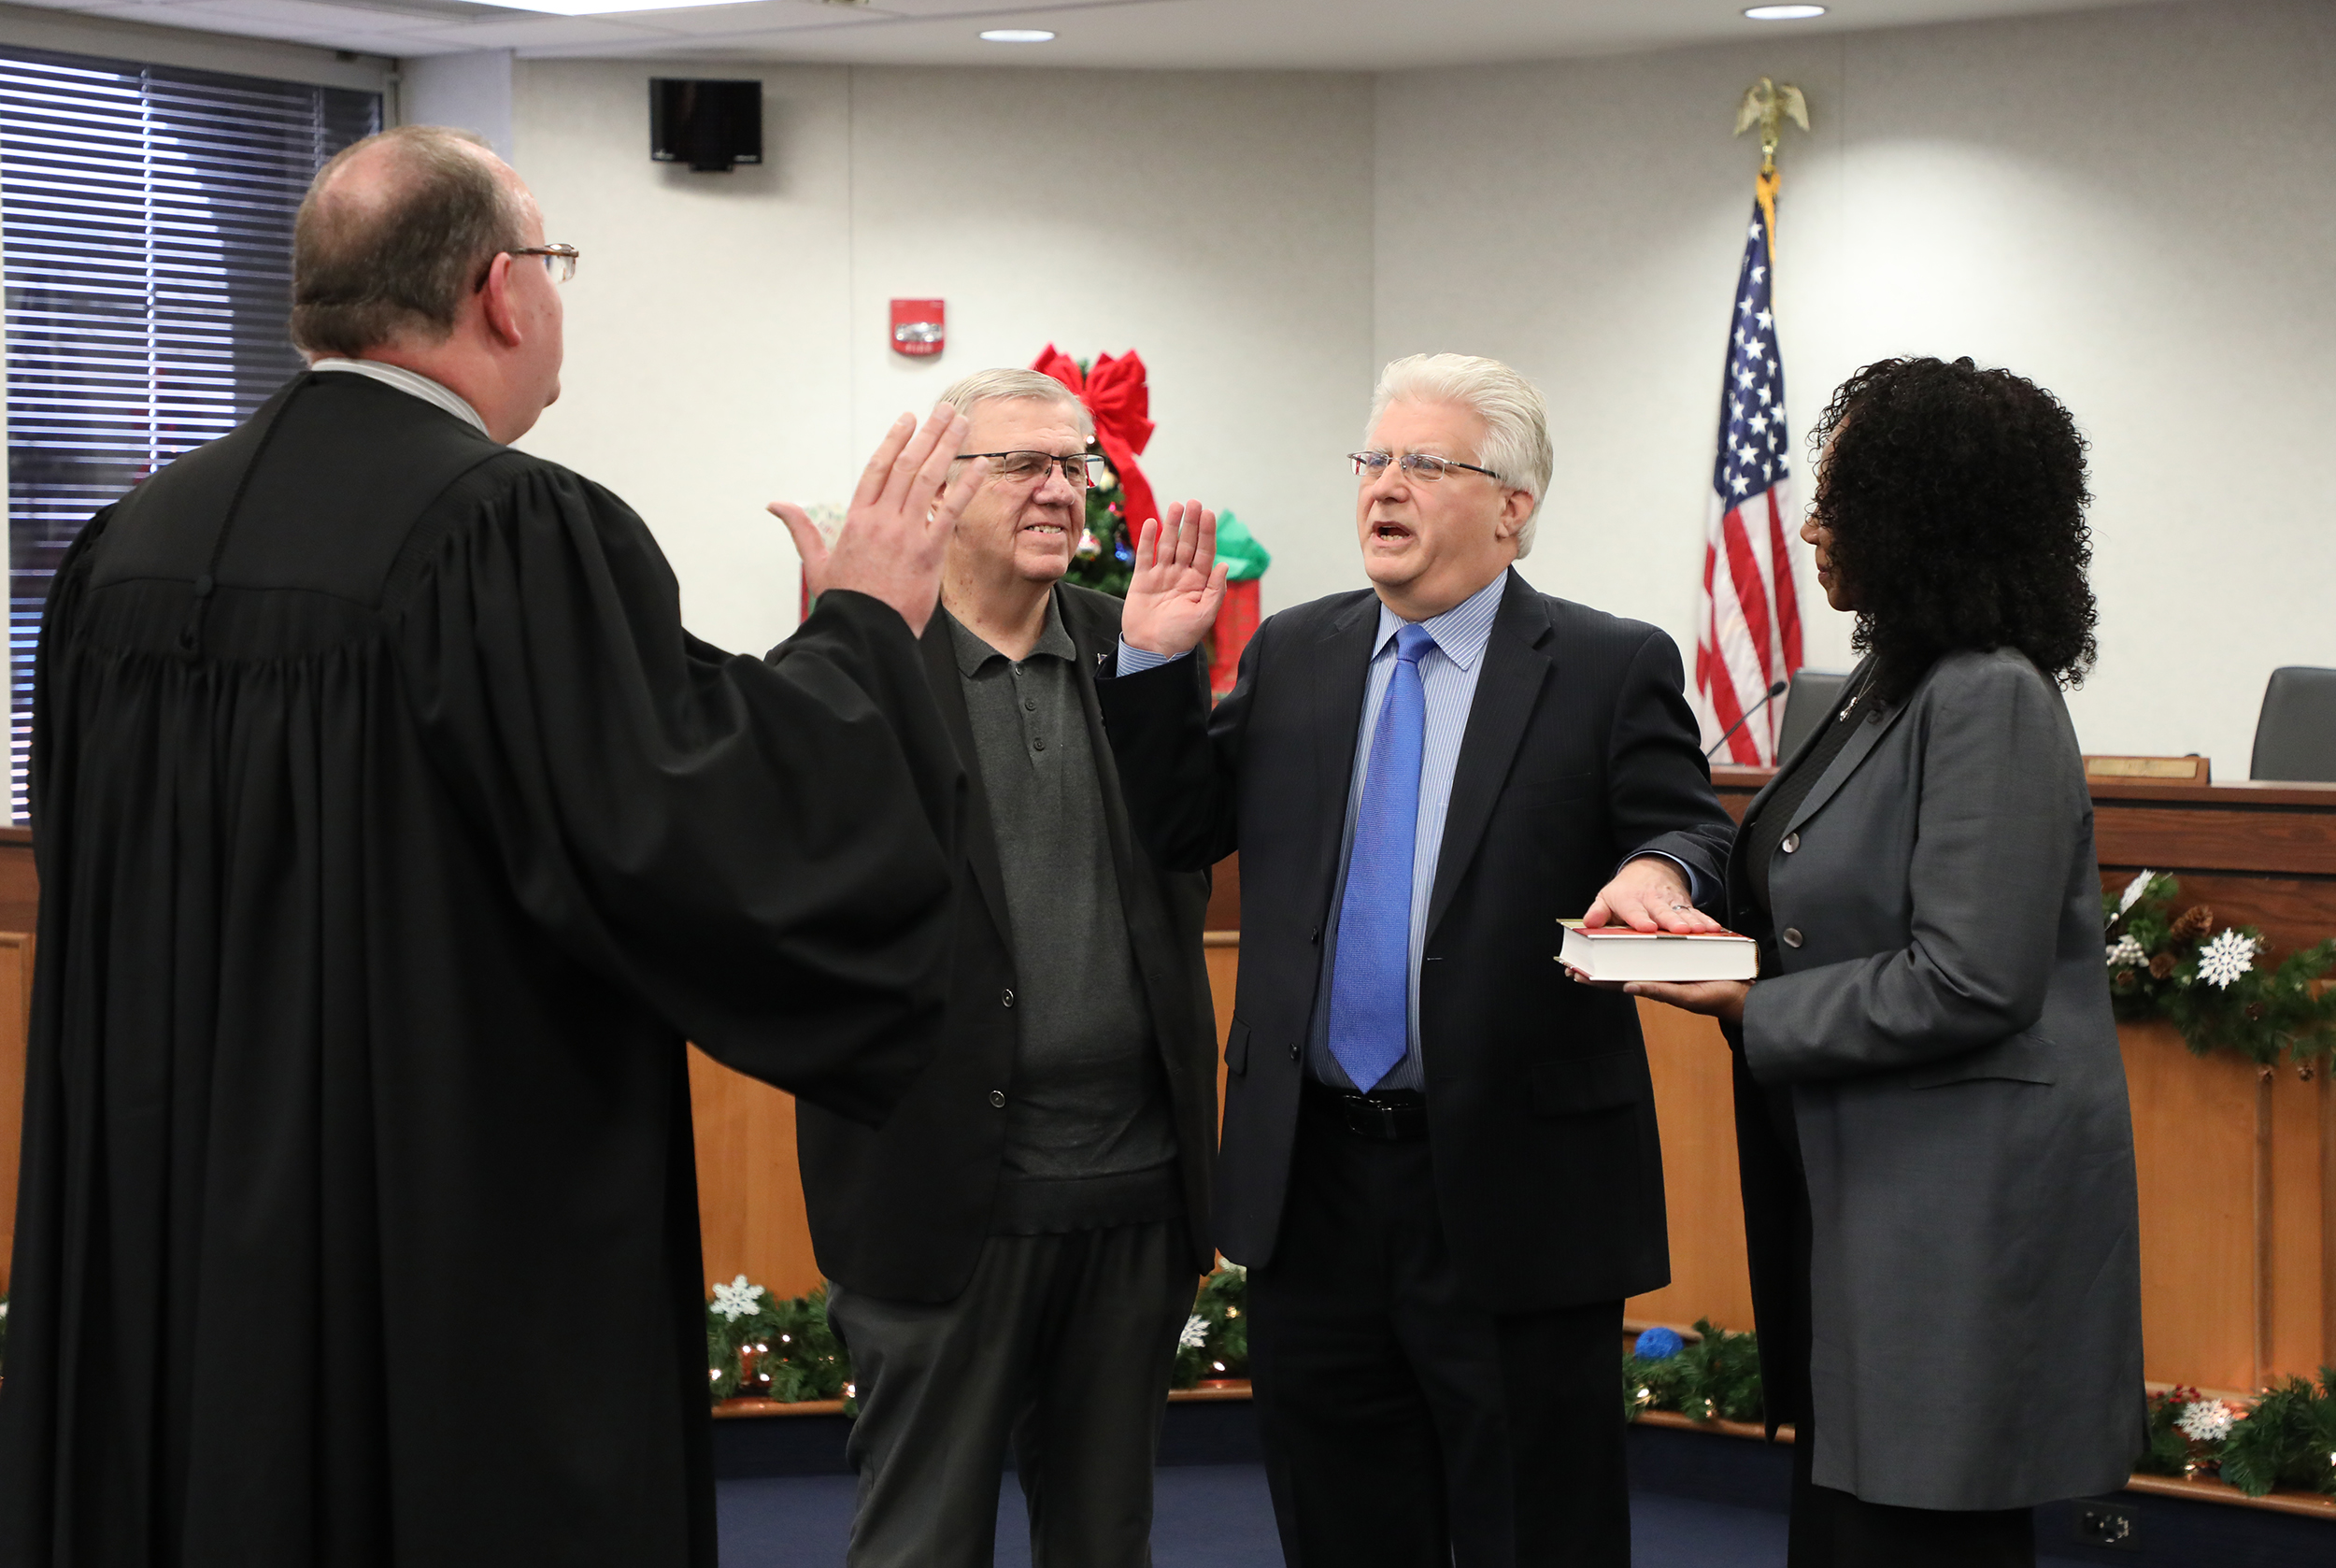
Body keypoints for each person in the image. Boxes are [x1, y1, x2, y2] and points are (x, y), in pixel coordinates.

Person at [0, 125, 987, 1567]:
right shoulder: (503, 530)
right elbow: (693, 829)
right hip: (433, 1222)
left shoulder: (125, 549)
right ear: (500, 291)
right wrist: (863, 637)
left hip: (178, 1223)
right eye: (558, 266)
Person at [1099, 352, 1736, 1567]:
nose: (1384, 487)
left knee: (1532, 1533)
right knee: (1342, 1527)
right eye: (1373, 459)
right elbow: (1180, 826)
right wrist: (1150, 666)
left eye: (1424, 464)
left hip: (1513, 1184)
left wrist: (1658, 874)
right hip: (1316, 1186)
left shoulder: (1606, 664)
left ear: (1513, 508)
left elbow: (1689, 823)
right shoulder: (1297, 652)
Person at [1624, 356, 2144, 1567]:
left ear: (1921, 510)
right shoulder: (1882, 688)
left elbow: (1972, 978)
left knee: (1909, 1541)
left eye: (1840, 496)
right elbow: (1818, 905)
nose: (1811, 524)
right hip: (1858, 1201)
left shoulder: (1991, 699)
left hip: (1946, 1229)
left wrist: (1755, 999)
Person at [792, 368, 1220, 1567]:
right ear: (939, 486)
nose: (1060, 487)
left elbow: (1194, 841)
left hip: (1133, 1196)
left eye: (1074, 463)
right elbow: (802, 887)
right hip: (941, 1203)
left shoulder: (1132, 645)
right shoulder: (864, 662)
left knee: (1105, 1541)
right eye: (1024, 464)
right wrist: (834, 653)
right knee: (921, 1542)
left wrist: (1167, 673)